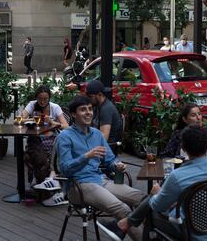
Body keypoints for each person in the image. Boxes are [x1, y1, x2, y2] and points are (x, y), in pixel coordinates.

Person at [97, 125, 207, 241]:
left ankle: (125, 225)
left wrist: (156, 194)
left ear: (183, 148)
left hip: (186, 231)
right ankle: (124, 224)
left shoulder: (178, 176)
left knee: (151, 209)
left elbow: (157, 206)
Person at [57, 95, 147, 241]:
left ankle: (151, 235)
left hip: (100, 180)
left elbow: (110, 159)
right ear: (73, 114)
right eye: (83, 110)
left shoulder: (96, 134)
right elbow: (65, 168)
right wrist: (86, 156)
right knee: (122, 208)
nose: (88, 112)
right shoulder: (65, 137)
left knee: (145, 199)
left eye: (90, 109)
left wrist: (116, 165)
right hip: (78, 185)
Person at [21, 85, 69, 203]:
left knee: (38, 158)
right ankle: (44, 189)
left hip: (51, 139)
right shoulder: (32, 105)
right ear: (36, 98)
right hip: (36, 139)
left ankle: (42, 188)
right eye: (40, 99)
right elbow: (21, 119)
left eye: (45, 99)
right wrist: (32, 120)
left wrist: (52, 122)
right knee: (38, 157)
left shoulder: (55, 107)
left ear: (49, 98)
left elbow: (66, 126)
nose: (42, 101)